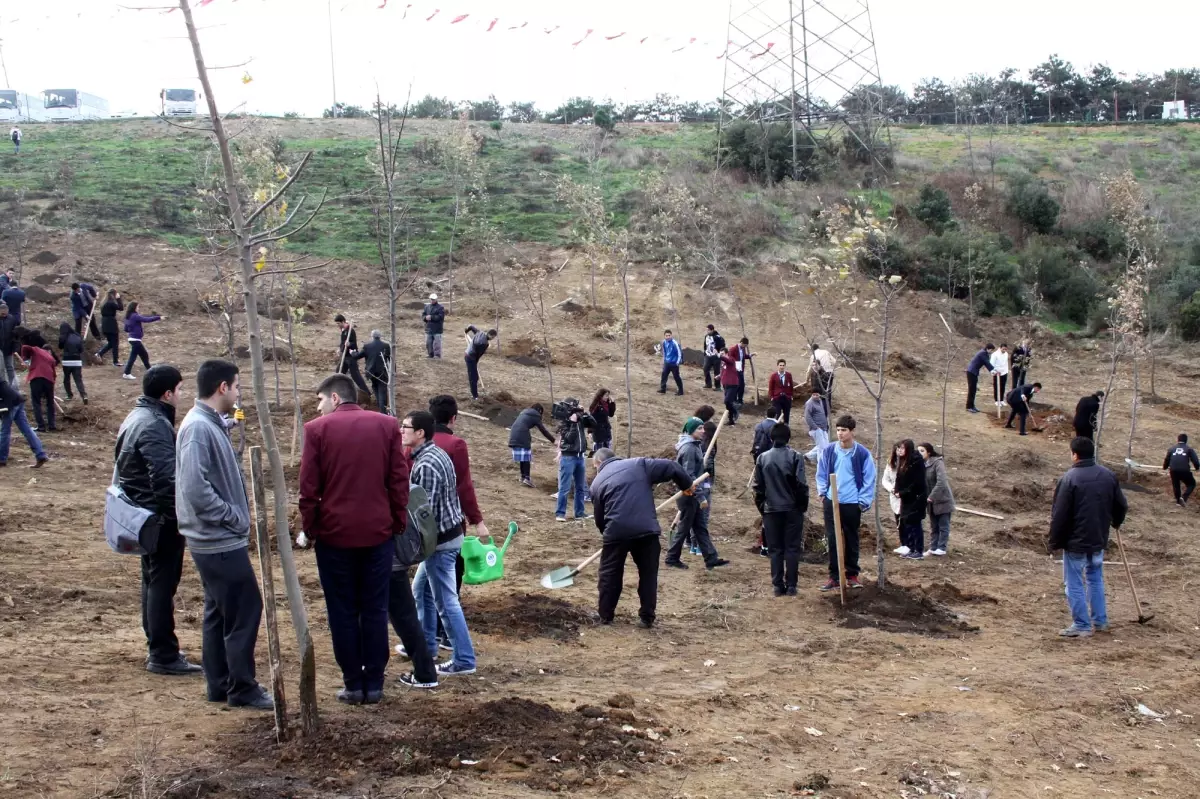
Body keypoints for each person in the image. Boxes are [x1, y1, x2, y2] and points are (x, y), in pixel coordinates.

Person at [300, 374, 410, 705]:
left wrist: (311, 528)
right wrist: (397, 522)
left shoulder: (316, 431)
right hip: (378, 535)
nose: (318, 407)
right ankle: (374, 682)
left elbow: (309, 489)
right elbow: (398, 480)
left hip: (335, 537)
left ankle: (353, 682)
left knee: (342, 610)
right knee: (375, 608)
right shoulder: (387, 426)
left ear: (335, 398)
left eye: (320, 399)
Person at [176, 360, 272, 710]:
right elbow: (195, 489)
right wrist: (232, 517)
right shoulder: (198, 428)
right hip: (216, 540)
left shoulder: (208, 424)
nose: (238, 392)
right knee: (246, 608)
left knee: (219, 611)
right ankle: (242, 688)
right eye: (236, 386)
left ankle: (219, 684)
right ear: (222, 388)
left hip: (215, 538)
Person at [114, 365, 198, 675]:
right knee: (162, 584)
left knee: (152, 582)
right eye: (179, 389)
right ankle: (163, 654)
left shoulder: (137, 416)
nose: (181, 394)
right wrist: (178, 518)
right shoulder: (155, 425)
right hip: (158, 519)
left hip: (141, 516)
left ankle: (158, 644)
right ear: (167, 393)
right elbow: (165, 479)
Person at [402, 410, 477, 677]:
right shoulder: (434, 455)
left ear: (420, 432)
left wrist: (410, 547)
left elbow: (426, 515)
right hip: (446, 538)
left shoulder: (426, 465)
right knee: (420, 590)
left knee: (446, 603)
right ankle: (427, 645)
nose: (402, 431)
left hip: (440, 544)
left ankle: (464, 660)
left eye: (406, 427)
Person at [591, 448, 693, 628]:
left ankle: (605, 615)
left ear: (598, 463)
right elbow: (672, 467)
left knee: (610, 575)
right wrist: (687, 486)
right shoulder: (639, 464)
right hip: (647, 530)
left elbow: (600, 519)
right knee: (648, 574)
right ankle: (647, 617)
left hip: (616, 532)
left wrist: (608, 536)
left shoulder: (596, 483)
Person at [1049, 437, 1128, 637]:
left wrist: (1054, 541)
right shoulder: (1108, 475)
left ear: (1074, 454)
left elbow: (1060, 514)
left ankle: (1082, 625)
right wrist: (1116, 521)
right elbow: (1121, 505)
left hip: (1076, 542)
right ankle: (1100, 621)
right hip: (1098, 539)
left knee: (1074, 582)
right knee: (1095, 578)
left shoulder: (1069, 479)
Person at [429, 394, 489, 591]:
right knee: (452, 574)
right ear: (453, 418)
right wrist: (477, 521)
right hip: (449, 521)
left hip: (419, 519)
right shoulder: (455, 444)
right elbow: (464, 486)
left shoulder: (415, 442)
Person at [815, 415, 876, 591]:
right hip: (831, 500)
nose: (840, 433)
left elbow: (868, 479)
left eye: (844, 430)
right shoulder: (829, 451)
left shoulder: (862, 454)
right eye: (838, 430)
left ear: (852, 432)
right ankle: (834, 576)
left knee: (851, 538)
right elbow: (821, 472)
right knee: (833, 539)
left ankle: (852, 574)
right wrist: (822, 491)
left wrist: (862, 502)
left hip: (851, 503)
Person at [753, 423, 809, 596]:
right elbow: (801, 485)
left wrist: (763, 508)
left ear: (771, 438)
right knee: (792, 548)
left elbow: (758, 488)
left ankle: (777, 586)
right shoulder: (795, 457)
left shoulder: (762, 458)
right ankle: (791, 585)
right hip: (792, 509)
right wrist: (801, 507)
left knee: (775, 549)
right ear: (788, 438)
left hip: (771, 510)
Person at [664, 418, 728, 570]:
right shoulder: (689, 449)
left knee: (700, 527)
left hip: (693, 494)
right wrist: (700, 496)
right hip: (689, 495)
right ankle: (671, 558)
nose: (703, 431)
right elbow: (689, 476)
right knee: (684, 527)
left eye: (703, 428)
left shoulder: (694, 446)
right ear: (691, 430)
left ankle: (711, 558)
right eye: (699, 428)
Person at [554, 398, 595, 522]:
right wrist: (572, 423)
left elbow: (594, 424)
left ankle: (580, 513)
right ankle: (560, 514)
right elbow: (569, 438)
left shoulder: (580, 420)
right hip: (568, 457)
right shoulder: (564, 423)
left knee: (580, 488)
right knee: (565, 488)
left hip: (580, 457)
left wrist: (585, 413)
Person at [890, 439, 928, 560]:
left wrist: (903, 492)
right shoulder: (903, 460)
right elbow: (899, 478)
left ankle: (918, 550)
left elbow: (917, 482)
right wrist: (897, 490)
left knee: (914, 523)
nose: (899, 451)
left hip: (916, 497)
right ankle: (910, 548)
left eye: (902, 448)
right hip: (906, 498)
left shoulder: (916, 462)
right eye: (898, 448)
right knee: (906, 522)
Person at [0, 377, 47, 467]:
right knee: (26, 429)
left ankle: (1, 459)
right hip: (17, 400)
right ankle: (40, 454)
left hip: (10, 403)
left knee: (5, 431)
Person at [918, 443, 955, 556]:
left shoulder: (938, 462)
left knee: (943, 525)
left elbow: (941, 482)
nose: (920, 453)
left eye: (922, 451)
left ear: (929, 452)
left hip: (942, 499)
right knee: (934, 526)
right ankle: (933, 547)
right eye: (918, 451)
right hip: (930, 501)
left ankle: (941, 547)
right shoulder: (922, 464)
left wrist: (931, 496)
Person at [508, 403, 554, 487]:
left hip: (513, 433)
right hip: (522, 434)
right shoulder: (536, 415)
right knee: (526, 456)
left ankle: (523, 477)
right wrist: (553, 440)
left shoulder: (524, 412)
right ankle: (527, 478)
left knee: (523, 456)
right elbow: (543, 430)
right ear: (539, 411)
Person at [21, 335, 59, 432]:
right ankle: (52, 426)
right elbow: (54, 374)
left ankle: (41, 426)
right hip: (49, 381)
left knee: (36, 402)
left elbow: (25, 347)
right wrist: (51, 386)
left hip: (37, 378)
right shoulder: (51, 358)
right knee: (50, 403)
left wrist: (25, 357)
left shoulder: (37, 350)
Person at [122, 302, 162, 380]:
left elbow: (125, 329)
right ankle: (128, 373)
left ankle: (149, 371)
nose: (138, 308)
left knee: (142, 355)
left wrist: (132, 330)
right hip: (135, 340)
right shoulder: (135, 316)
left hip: (132, 339)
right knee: (138, 357)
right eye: (137, 307)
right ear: (134, 308)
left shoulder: (128, 316)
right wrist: (158, 317)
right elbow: (146, 319)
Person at [355, 330, 392, 414]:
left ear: (372, 336)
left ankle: (380, 406)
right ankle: (383, 410)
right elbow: (390, 360)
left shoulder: (367, 346)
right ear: (380, 336)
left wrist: (352, 353)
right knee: (382, 389)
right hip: (383, 372)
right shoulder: (386, 346)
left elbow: (358, 356)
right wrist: (393, 371)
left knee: (375, 386)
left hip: (371, 372)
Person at [334, 315, 369, 393]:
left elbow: (354, 343)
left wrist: (349, 344)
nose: (337, 325)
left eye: (338, 323)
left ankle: (366, 392)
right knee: (338, 373)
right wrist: (340, 349)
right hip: (345, 356)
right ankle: (340, 390)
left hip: (351, 356)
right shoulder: (343, 330)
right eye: (336, 323)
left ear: (343, 321)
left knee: (355, 376)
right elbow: (342, 342)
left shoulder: (350, 330)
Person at [1163, 433, 1200, 507]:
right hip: (1184, 470)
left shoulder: (1172, 449)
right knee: (1191, 484)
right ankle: (1184, 497)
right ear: (1186, 440)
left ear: (1178, 440)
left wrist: (1165, 467)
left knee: (1176, 485)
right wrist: (1197, 468)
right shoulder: (1189, 449)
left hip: (1173, 470)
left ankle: (1178, 502)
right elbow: (1195, 460)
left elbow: (1167, 459)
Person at [463, 325, 496, 401]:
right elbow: (478, 355)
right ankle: (475, 396)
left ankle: (474, 393)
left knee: (475, 377)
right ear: (491, 335)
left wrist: (466, 330)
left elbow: (471, 326)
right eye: (493, 337)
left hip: (468, 354)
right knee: (473, 378)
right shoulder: (484, 344)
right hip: (470, 358)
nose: (492, 339)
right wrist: (475, 363)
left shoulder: (480, 332)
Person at [58, 323, 88, 405]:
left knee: (66, 379)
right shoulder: (77, 336)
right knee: (78, 379)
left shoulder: (62, 337)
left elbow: (60, 347)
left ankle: (69, 395)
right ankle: (84, 395)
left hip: (67, 361)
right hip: (77, 361)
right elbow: (81, 350)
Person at [964, 343, 996, 413]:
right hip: (971, 372)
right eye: (991, 350)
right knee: (972, 390)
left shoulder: (984, 353)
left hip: (973, 373)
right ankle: (969, 407)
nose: (991, 352)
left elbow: (986, 363)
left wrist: (992, 370)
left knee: (974, 390)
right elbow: (987, 362)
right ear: (988, 349)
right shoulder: (983, 353)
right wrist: (993, 370)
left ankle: (972, 406)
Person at [96, 289, 124, 366]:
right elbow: (121, 308)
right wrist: (118, 299)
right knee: (115, 343)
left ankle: (99, 353)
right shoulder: (111, 303)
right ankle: (115, 361)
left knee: (111, 343)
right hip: (111, 324)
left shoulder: (103, 303)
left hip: (105, 324)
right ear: (113, 294)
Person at [808, 343, 835, 414]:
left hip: (820, 373)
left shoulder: (813, 355)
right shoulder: (826, 352)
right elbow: (834, 361)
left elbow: (810, 368)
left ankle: (821, 407)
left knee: (819, 390)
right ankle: (828, 407)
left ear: (812, 349)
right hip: (830, 373)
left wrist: (807, 379)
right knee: (828, 391)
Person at [803, 388, 829, 461]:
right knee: (822, 448)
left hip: (823, 428)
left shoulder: (820, 401)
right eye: (813, 394)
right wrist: (815, 427)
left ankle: (808, 456)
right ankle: (821, 465)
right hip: (817, 429)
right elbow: (807, 417)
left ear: (819, 395)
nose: (815, 396)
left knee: (826, 446)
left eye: (816, 395)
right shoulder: (809, 403)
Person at [768, 359, 795, 425]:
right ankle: (776, 428)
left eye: (783, 365)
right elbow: (771, 387)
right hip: (777, 398)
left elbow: (791, 385)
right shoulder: (774, 376)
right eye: (780, 365)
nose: (782, 367)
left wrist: (791, 395)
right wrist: (772, 397)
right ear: (778, 366)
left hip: (786, 397)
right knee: (777, 414)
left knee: (786, 414)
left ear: (785, 366)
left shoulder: (788, 375)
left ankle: (786, 428)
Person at [589, 388, 616, 453]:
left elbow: (611, 414)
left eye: (608, 395)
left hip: (606, 431)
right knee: (598, 451)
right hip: (598, 432)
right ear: (601, 395)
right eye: (606, 395)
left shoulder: (606, 404)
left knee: (607, 450)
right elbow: (591, 418)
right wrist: (590, 432)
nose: (607, 397)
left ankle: (607, 462)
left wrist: (612, 403)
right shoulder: (596, 405)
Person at [719, 346, 741, 424]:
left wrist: (720, 356)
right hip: (726, 384)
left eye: (723, 354)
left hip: (733, 384)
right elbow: (723, 371)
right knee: (728, 403)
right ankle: (731, 420)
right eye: (720, 353)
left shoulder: (731, 359)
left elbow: (727, 360)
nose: (721, 355)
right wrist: (719, 376)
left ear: (727, 353)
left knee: (727, 401)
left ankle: (735, 411)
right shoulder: (723, 362)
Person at [657, 329, 684, 395]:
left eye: (669, 335)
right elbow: (665, 352)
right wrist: (664, 360)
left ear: (671, 336)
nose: (668, 337)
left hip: (674, 363)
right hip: (667, 362)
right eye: (666, 335)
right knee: (664, 375)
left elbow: (680, 353)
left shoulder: (675, 343)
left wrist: (677, 362)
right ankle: (663, 389)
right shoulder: (663, 342)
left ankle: (681, 391)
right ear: (664, 336)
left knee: (676, 377)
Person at [702, 324, 725, 391]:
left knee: (716, 371)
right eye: (707, 330)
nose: (707, 331)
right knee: (705, 369)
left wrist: (719, 353)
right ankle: (708, 384)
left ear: (712, 330)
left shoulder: (718, 337)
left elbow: (722, 346)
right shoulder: (706, 336)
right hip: (708, 356)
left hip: (716, 357)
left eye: (708, 330)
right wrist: (705, 353)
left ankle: (717, 386)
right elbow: (705, 345)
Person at [423, 293, 446, 359]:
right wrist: (425, 318)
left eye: (433, 299)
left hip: (437, 328)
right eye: (431, 299)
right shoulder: (427, 307)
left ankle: (437, 355)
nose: (432, 300)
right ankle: (430, 354)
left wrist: (431, 317)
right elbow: (423, 314)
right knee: (428, 343)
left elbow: (440, 317)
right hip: (428, 328)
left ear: (436, 299)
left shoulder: (440, 307)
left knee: (437, 343)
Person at [732, 337, 753, 405]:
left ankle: (740, 399)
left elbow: (744, 356)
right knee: (736, 385)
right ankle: (734, 399)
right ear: (741, 343)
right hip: (735, 369)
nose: (745, 347)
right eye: (745, 345)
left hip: (740, 369)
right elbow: (729, 358)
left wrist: (750, 355)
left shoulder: (743, 348)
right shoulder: (733, 349)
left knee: (741, 385)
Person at [0, 304, 18, 384]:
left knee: (10, 367)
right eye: (2, 313)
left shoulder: (12, 319)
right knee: (1, 368)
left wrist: (15, 347)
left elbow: (15, 335)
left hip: (8, 347)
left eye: (5, 313)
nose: (4, 314)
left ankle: (12, 385)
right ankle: (3, 385)